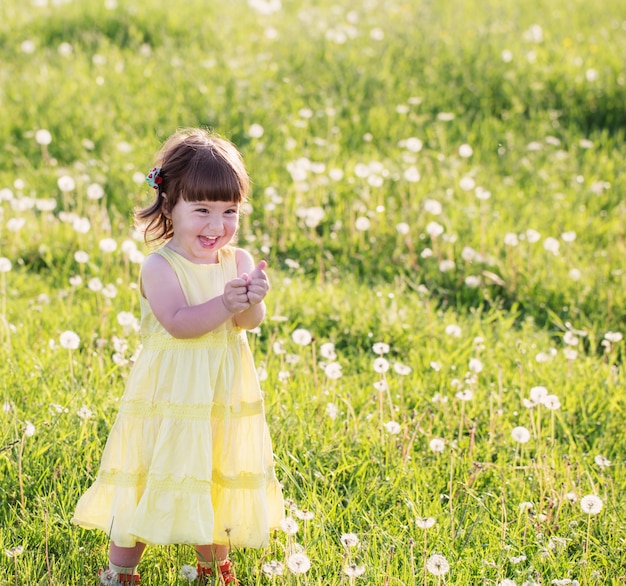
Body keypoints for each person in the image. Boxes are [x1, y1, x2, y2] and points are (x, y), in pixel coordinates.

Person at [72, 128, 284, 585]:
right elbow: (179, 323)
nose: (217, 225)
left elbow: (248, 324)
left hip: (218, 398)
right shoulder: (160, 266)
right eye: (202, 210)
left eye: (230, 212)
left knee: (214, 476)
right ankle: (121, 571)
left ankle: (213, 566)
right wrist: (227, 303)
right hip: (168, 401)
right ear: (169, 206)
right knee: (148, 477)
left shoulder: (238, 260)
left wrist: (253, 298)